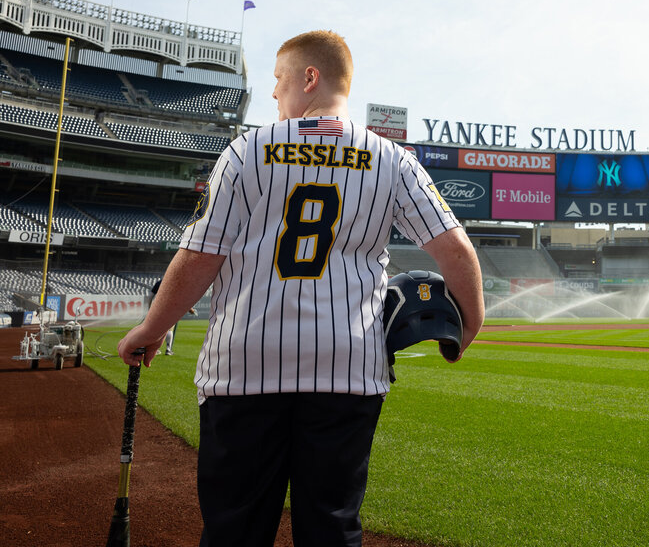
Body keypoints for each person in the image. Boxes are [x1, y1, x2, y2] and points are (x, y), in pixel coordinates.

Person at [118, 30, 484, 547]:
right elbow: (456, 251)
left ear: (309, 78)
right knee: (331, 528)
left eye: (278, 79)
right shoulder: (391, 159)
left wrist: (153, 328)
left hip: (244, 368)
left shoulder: (247, 150)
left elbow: (201, 255)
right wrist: (470, 325)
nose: (273, 93)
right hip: (348, 370)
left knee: (234, 529)